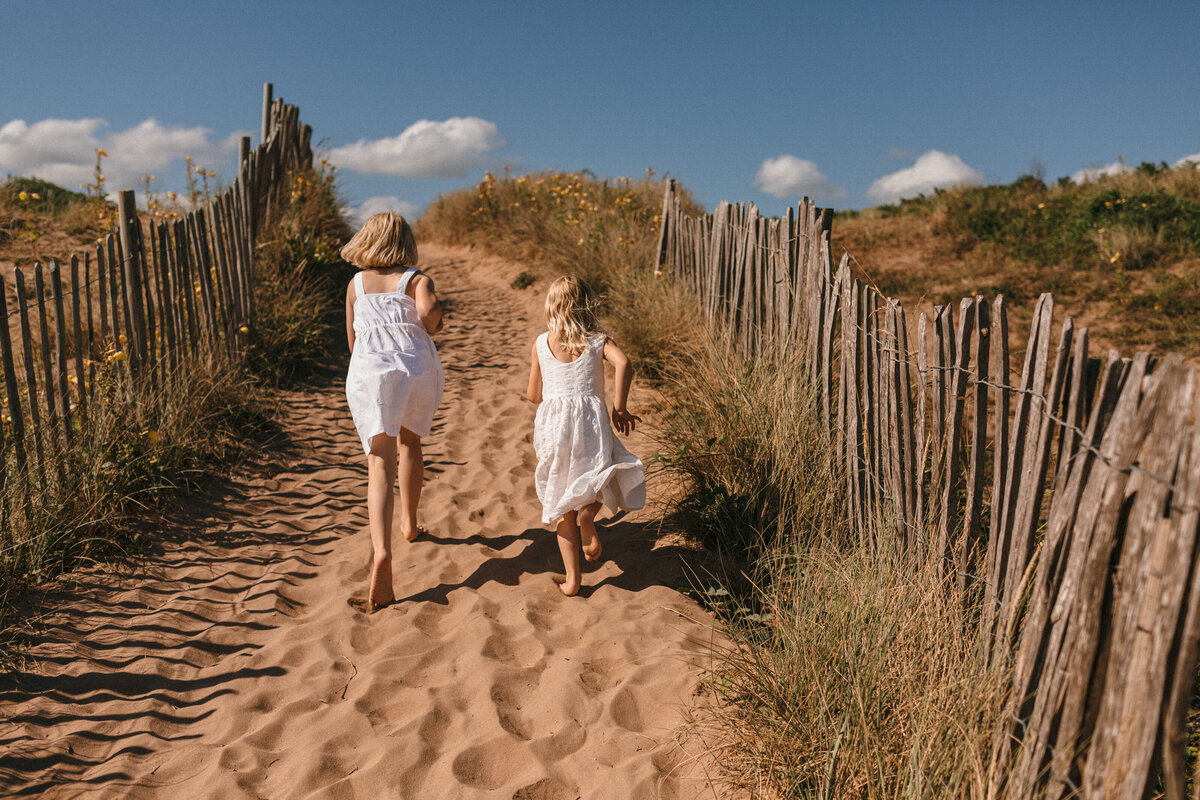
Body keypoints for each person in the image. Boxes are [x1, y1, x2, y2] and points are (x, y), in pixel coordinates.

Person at [343, 213, 444, 611]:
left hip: (370, 371)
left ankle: (382, 551)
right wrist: (434, 318)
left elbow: (352, 340)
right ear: (405, 243)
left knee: (378, 461)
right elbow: (429, 313)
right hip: (413, 367)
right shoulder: (417, 279)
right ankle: (410, 523)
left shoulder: (354, 285)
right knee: (411, 444)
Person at [526, 275, 646, 596]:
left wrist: (552, 392)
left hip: (554, 430)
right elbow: (625, 363)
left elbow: (533, 394)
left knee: (563, 500)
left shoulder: (541, 343)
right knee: (599, 476)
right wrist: (619, 407)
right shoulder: (597, 341)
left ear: (552, 307)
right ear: (587, 306)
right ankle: (589, 517)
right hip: (591, 425)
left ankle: (573, 580)